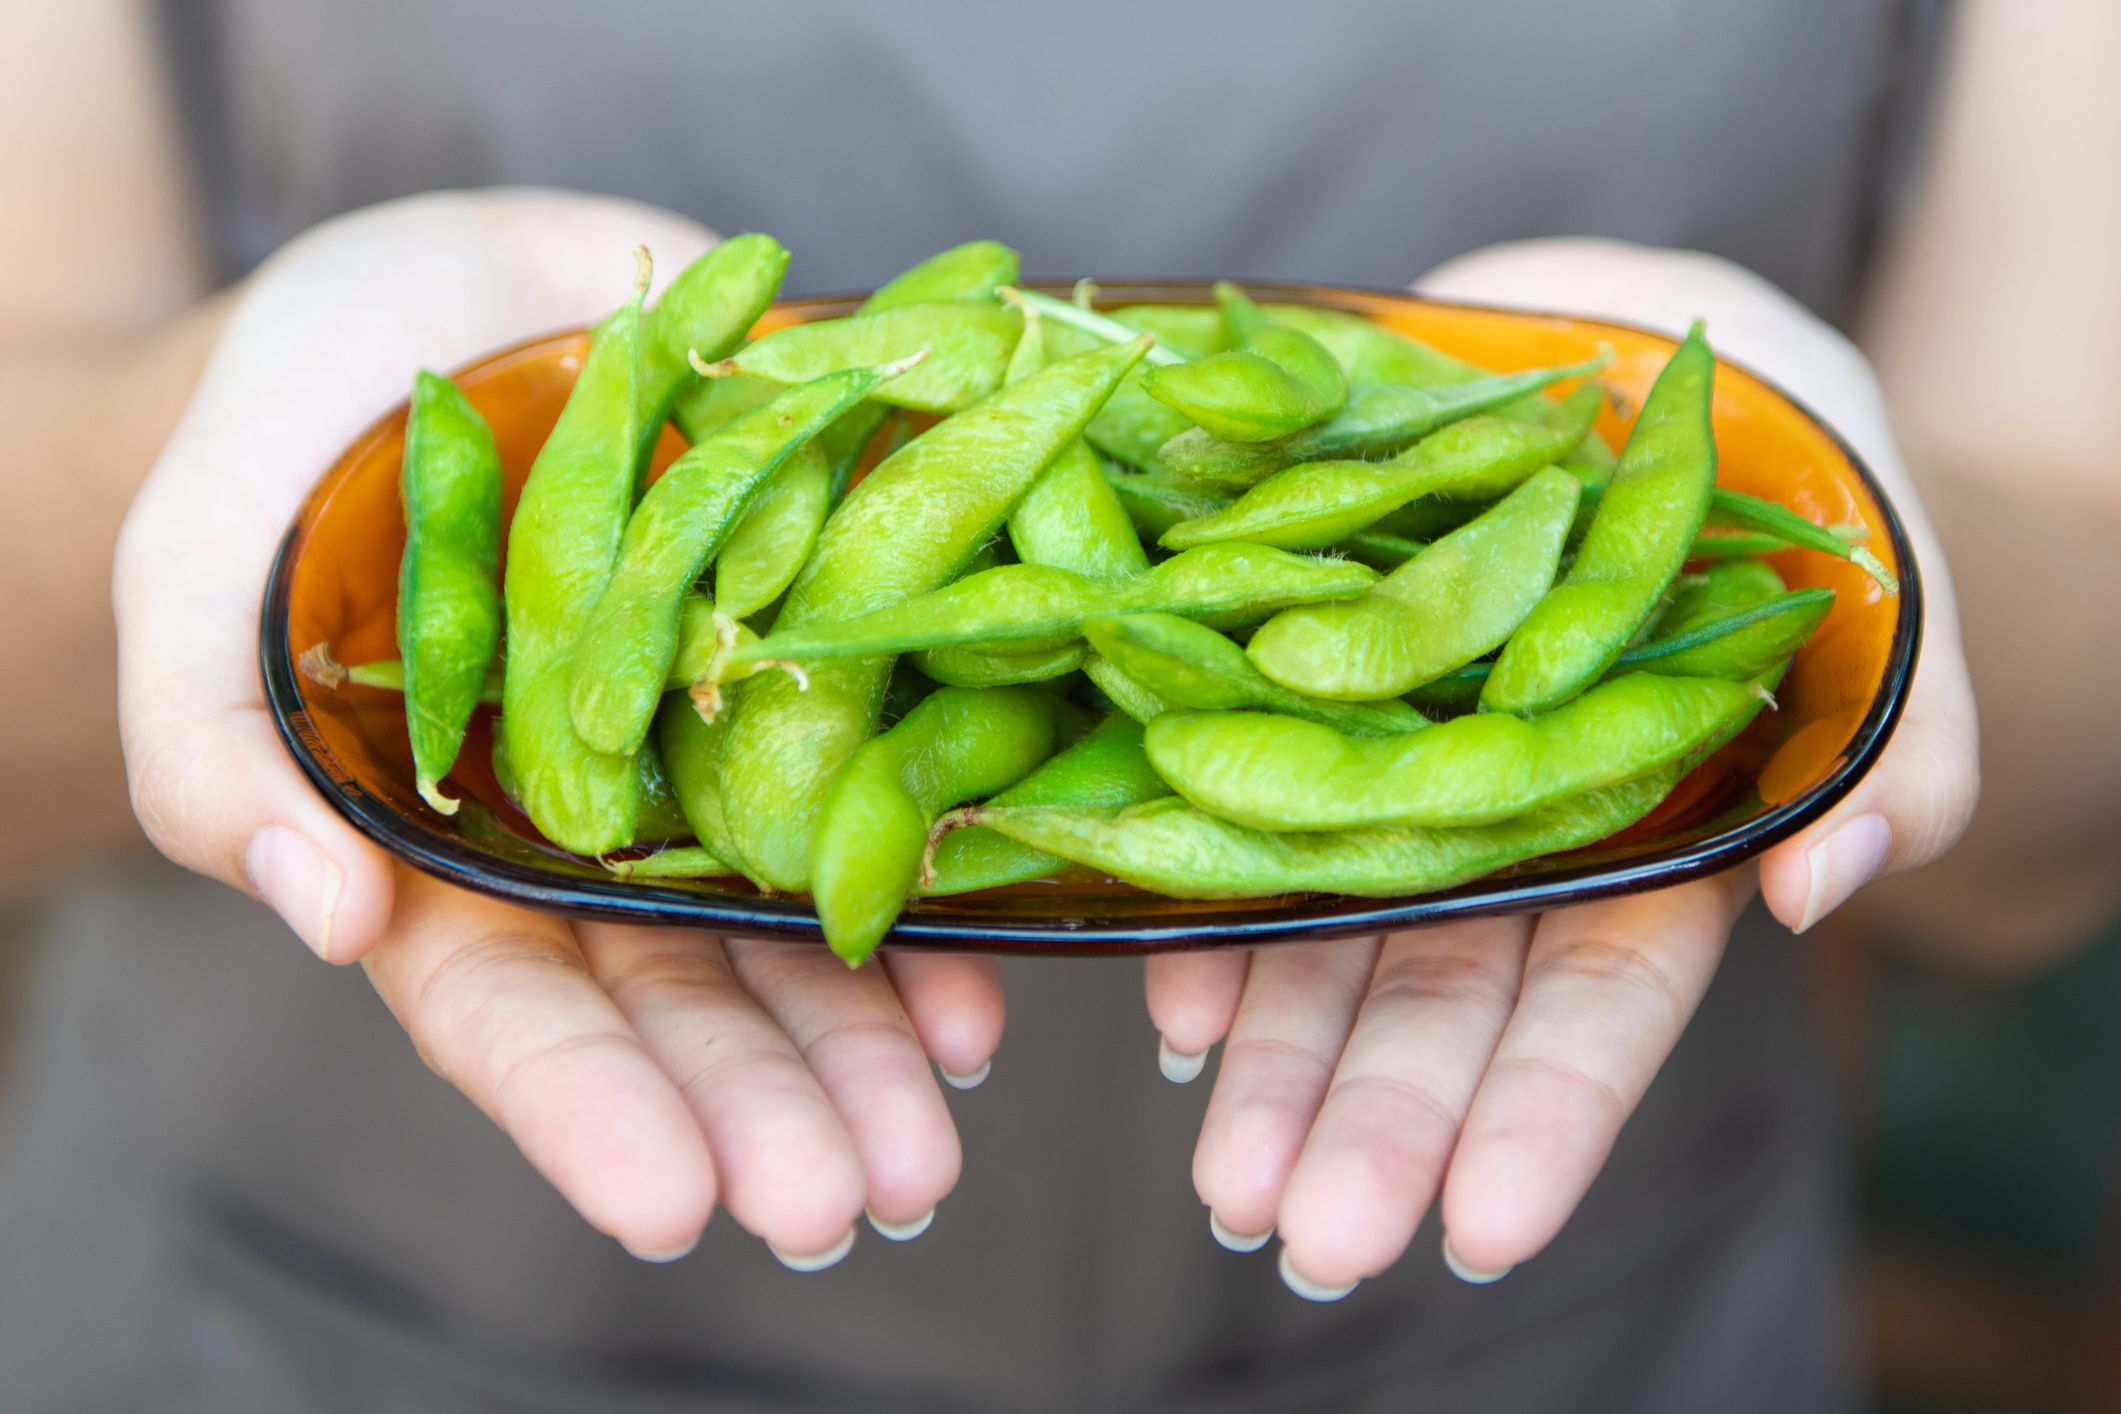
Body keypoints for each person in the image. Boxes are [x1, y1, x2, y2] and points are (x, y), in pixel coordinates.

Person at [3, 1, 2111, 1408]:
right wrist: (216, 476)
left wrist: (1853, 577)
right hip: (313, 1311)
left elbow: (2038, 850)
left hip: (1549, 1319)